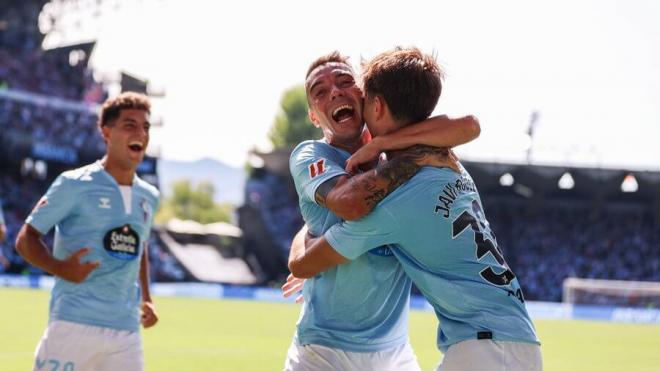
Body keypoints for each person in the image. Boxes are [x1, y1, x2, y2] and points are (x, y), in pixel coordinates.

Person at [288, 47, 542, 371]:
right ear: (313, 115)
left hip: (436, 348)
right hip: (326, 349)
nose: (335, 92)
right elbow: (345, 202)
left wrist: (305, 251)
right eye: (320, 91)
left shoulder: (395, 198)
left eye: (344, 82)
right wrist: (309, 230)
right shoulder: (443, 162)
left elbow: (309, 257)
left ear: (368, 100)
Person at [15, 92, 160, 371]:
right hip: (72, 324)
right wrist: (60, 268)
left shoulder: (149, 196)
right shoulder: (74, 184)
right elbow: (25, 239)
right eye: (130, 125)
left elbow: (139, 245)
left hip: (126, 332)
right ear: (106, 132)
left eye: (145, 127)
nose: (140, 133)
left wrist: (147, 298)